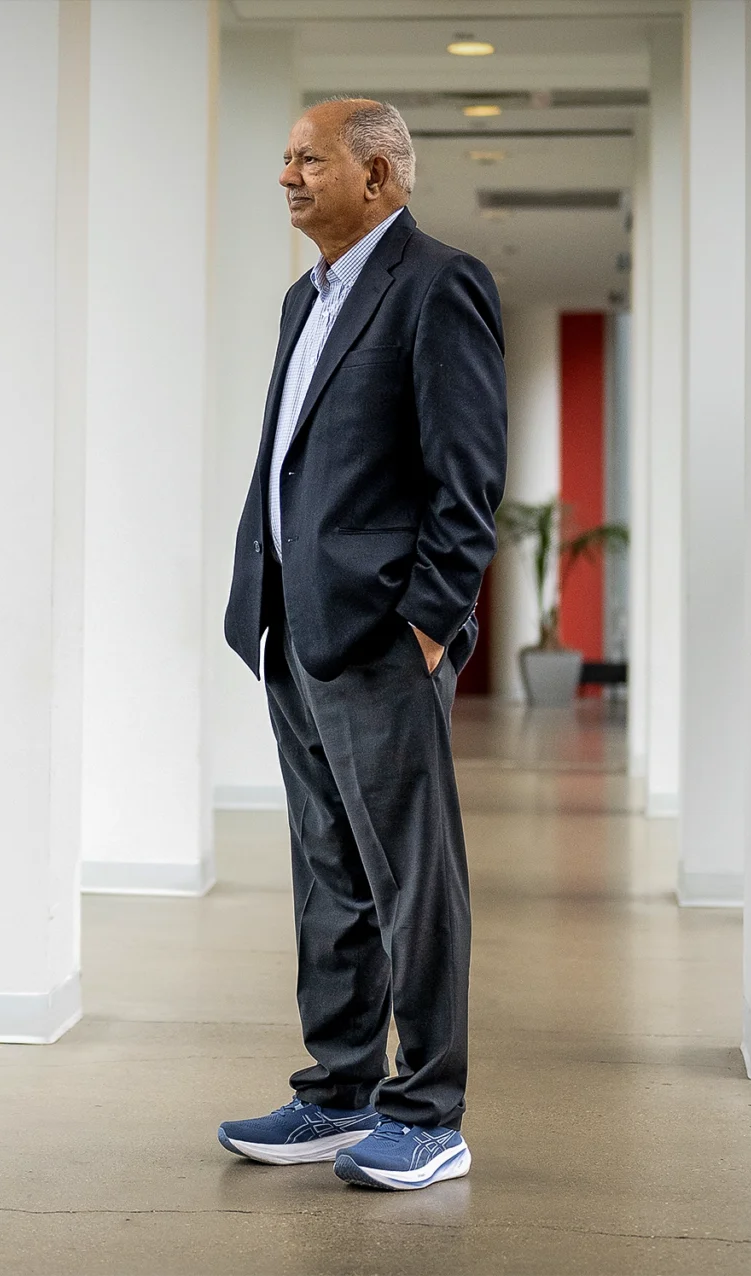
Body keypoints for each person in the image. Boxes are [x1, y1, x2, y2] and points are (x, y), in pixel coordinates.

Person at [213, 98, 507, 1191]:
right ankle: (336, 1092)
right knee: (326, 876)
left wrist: (428, 627)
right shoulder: (307, 298)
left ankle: (428, 1111)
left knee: (411, 880)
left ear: (380, 175)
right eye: (282, 157)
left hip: (383, 639)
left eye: (310, 159)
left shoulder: (437, 284)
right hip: (293, 631)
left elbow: (466, 480)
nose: (287, 176)